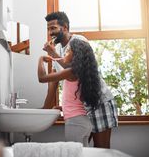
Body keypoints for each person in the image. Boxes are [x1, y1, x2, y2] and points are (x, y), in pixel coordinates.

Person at [42, 11, 118, 148]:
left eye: (53, 28)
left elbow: (75, 71)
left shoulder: (79, 41)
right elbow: (54, 81)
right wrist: (45, 108)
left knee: (101, 150)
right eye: (48, 29)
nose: (50, 32)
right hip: (79, 108)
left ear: (64, 27)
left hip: (98, 102)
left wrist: (52, 53)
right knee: (79, 150)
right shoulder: (58, 48)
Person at [38, 38, 101, 146]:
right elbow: (75, 100)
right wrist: (64, 107)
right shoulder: (80, 72)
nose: (65, 53)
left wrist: (40, 60)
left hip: (75, 123)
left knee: (74, 154)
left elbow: (42, 78)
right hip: (84, 122)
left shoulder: (71, 72)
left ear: (76, 55)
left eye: (68, 51)